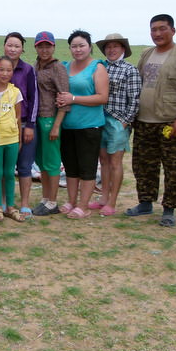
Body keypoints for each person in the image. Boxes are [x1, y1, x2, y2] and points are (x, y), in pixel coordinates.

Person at [126, 14, 176, 227]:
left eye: (162, 29)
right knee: (143, 165)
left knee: (174, 168)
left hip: (169, 122)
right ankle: (145, 202)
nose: (157, 33)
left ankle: (169, 209)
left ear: (173, 31)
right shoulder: (147, 54)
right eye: (154, 29)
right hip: (144, 120)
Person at [55, 30, 109, 219]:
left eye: (81, 45)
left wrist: (74, 99)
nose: (77, 50)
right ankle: (71, 201)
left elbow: (102, 97)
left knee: (87, 167)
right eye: (74, 46)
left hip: (89, 126)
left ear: (89, 46)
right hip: (68, 126)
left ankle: (84, 205)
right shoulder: (65, 66)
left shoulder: (97, 68)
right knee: (71, 167)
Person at [91, 33, 141, 216]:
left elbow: (135, 99)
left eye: (115, 47)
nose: (111, 50)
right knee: (103, 160)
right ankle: (103, 198)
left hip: (118, 120)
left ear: (123, 49)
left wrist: (125, 121)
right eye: (108, 47)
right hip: (100, 117)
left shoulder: (130, 70)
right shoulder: (99, 67)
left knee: (115, 161)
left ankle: (112, 201)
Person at [0, 32, 39, 219]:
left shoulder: (28, 70)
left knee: (24, 165)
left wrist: (30, 125)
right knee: (5, 167)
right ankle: (5, 203)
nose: (13, 49)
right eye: (10, 45)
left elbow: (33, 98)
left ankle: (24, 204)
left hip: (23, 124)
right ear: (4, 46)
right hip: (2, 127)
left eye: (17, 46)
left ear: (22, 48)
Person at [31, 31, 70, 216]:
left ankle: (53, 201)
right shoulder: (36, 66)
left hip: (50, 118)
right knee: (42, 161)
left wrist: (56, 125)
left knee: (52, 161)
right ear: (36, 47)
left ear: (53, 47)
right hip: (37, 118)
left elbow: (64, 98)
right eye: (41, 46)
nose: (44, 49)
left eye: (48, 46)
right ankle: (45, 198)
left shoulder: (58, 68)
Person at [0, 56, 24, 222]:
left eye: (8, 70)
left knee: (9, 173)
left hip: (12, 138)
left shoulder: (15, 92)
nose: (4, 73)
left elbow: (18, 117)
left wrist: (20, 138)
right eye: (1, 69)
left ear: (12, 72)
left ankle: (10, 206)